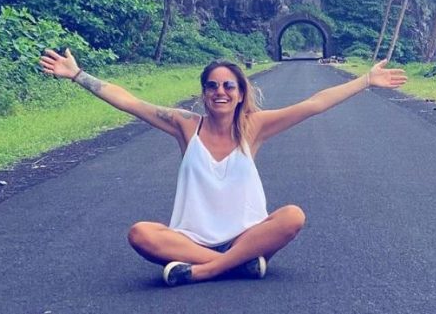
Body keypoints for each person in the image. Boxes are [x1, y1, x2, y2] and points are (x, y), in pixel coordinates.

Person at [39, 49, 407, 286]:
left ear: (241, 92)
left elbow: (314, 103)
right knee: (141, 234)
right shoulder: (185, 125)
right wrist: (78, 75)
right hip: (191, 241)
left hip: (248, 236)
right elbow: (130, 102)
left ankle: (205, 271)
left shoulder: (254, 127)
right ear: (203, 93)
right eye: (212, 86)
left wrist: (365, 80)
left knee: (293, 216)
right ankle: (237, 265)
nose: (220, 92)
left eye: (229, 86)